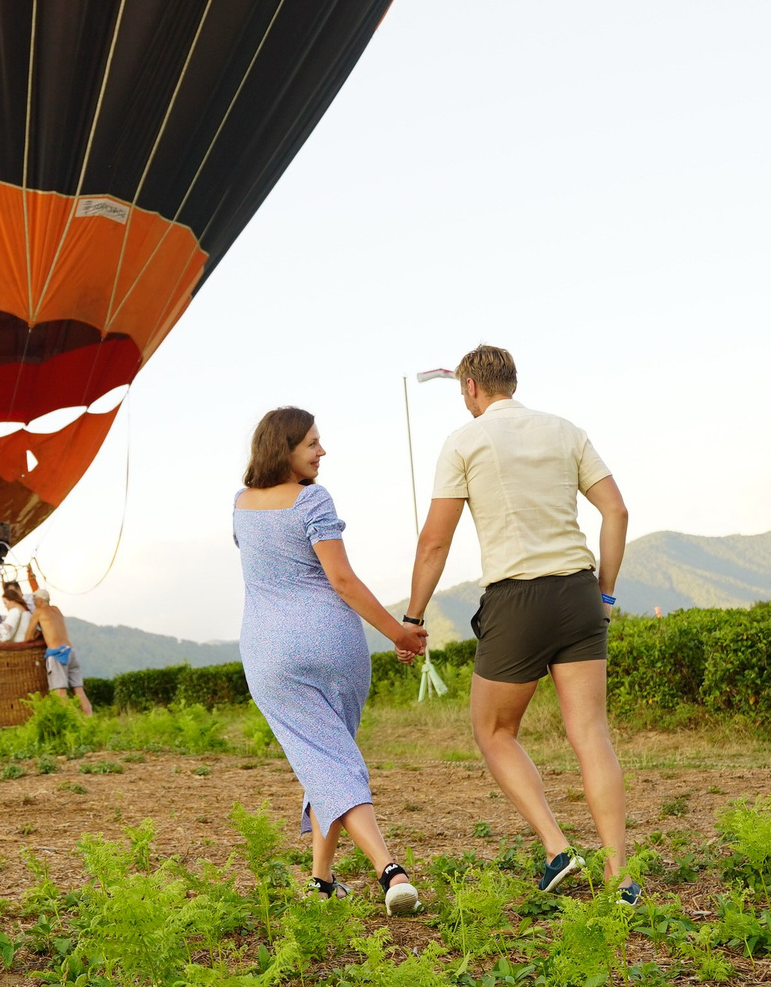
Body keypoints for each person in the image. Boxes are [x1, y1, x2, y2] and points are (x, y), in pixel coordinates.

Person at [406, 345, 635, 900]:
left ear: (470, 389)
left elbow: (436, 542)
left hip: (517, 599)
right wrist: (604, 595)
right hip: (580, 593)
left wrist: (412, 617)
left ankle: (558, 848)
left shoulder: (464, 441)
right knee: (591, 735)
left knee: (493, 731)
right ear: (512, 380)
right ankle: (621, 878)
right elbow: (616, 511)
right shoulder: (565, 430)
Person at [233, 406, 431, 915]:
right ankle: (390, 870)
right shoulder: (311, 499)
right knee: (330, 758)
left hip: (269, 652)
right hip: (332, 646)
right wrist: (401, 633)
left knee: (323, 759)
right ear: (285, 449)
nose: (322, 452)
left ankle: (321, 881)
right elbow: (341, 580)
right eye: (312, 444)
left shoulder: (240, 505)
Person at [24, 585, 95, 716]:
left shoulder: (38, 612)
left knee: (60, 692)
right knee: (79, 690)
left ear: (40, 600)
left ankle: (72, 722)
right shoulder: (56, 610)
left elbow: (28, 637)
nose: (33, 603)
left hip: (57, 654)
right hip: (71, 651)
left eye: (34, 600)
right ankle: (89, 719)